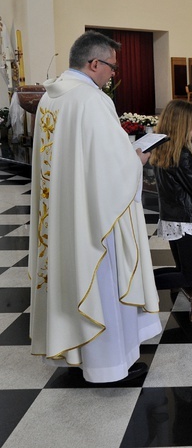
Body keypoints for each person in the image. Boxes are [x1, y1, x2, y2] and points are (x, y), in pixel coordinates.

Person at [28, 31, 161, 383]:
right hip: (93, 215)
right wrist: (138, 158)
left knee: (71, 277)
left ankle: (80, 353)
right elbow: (112, 165)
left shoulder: (50, 97)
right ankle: (109, 366)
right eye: (112, 67)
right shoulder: (90, 100)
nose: (114, 74)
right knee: (102, 281)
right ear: (94, 63)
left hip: (61, 215)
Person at [150, 100, 192, 290]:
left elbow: (183, 180)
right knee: (189, 277)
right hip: (187, 219)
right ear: (184, 125)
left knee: (181, 268)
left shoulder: (164, 147)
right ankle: (141, 289)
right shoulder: (182, 154)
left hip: (173, 215)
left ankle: (141, 284)